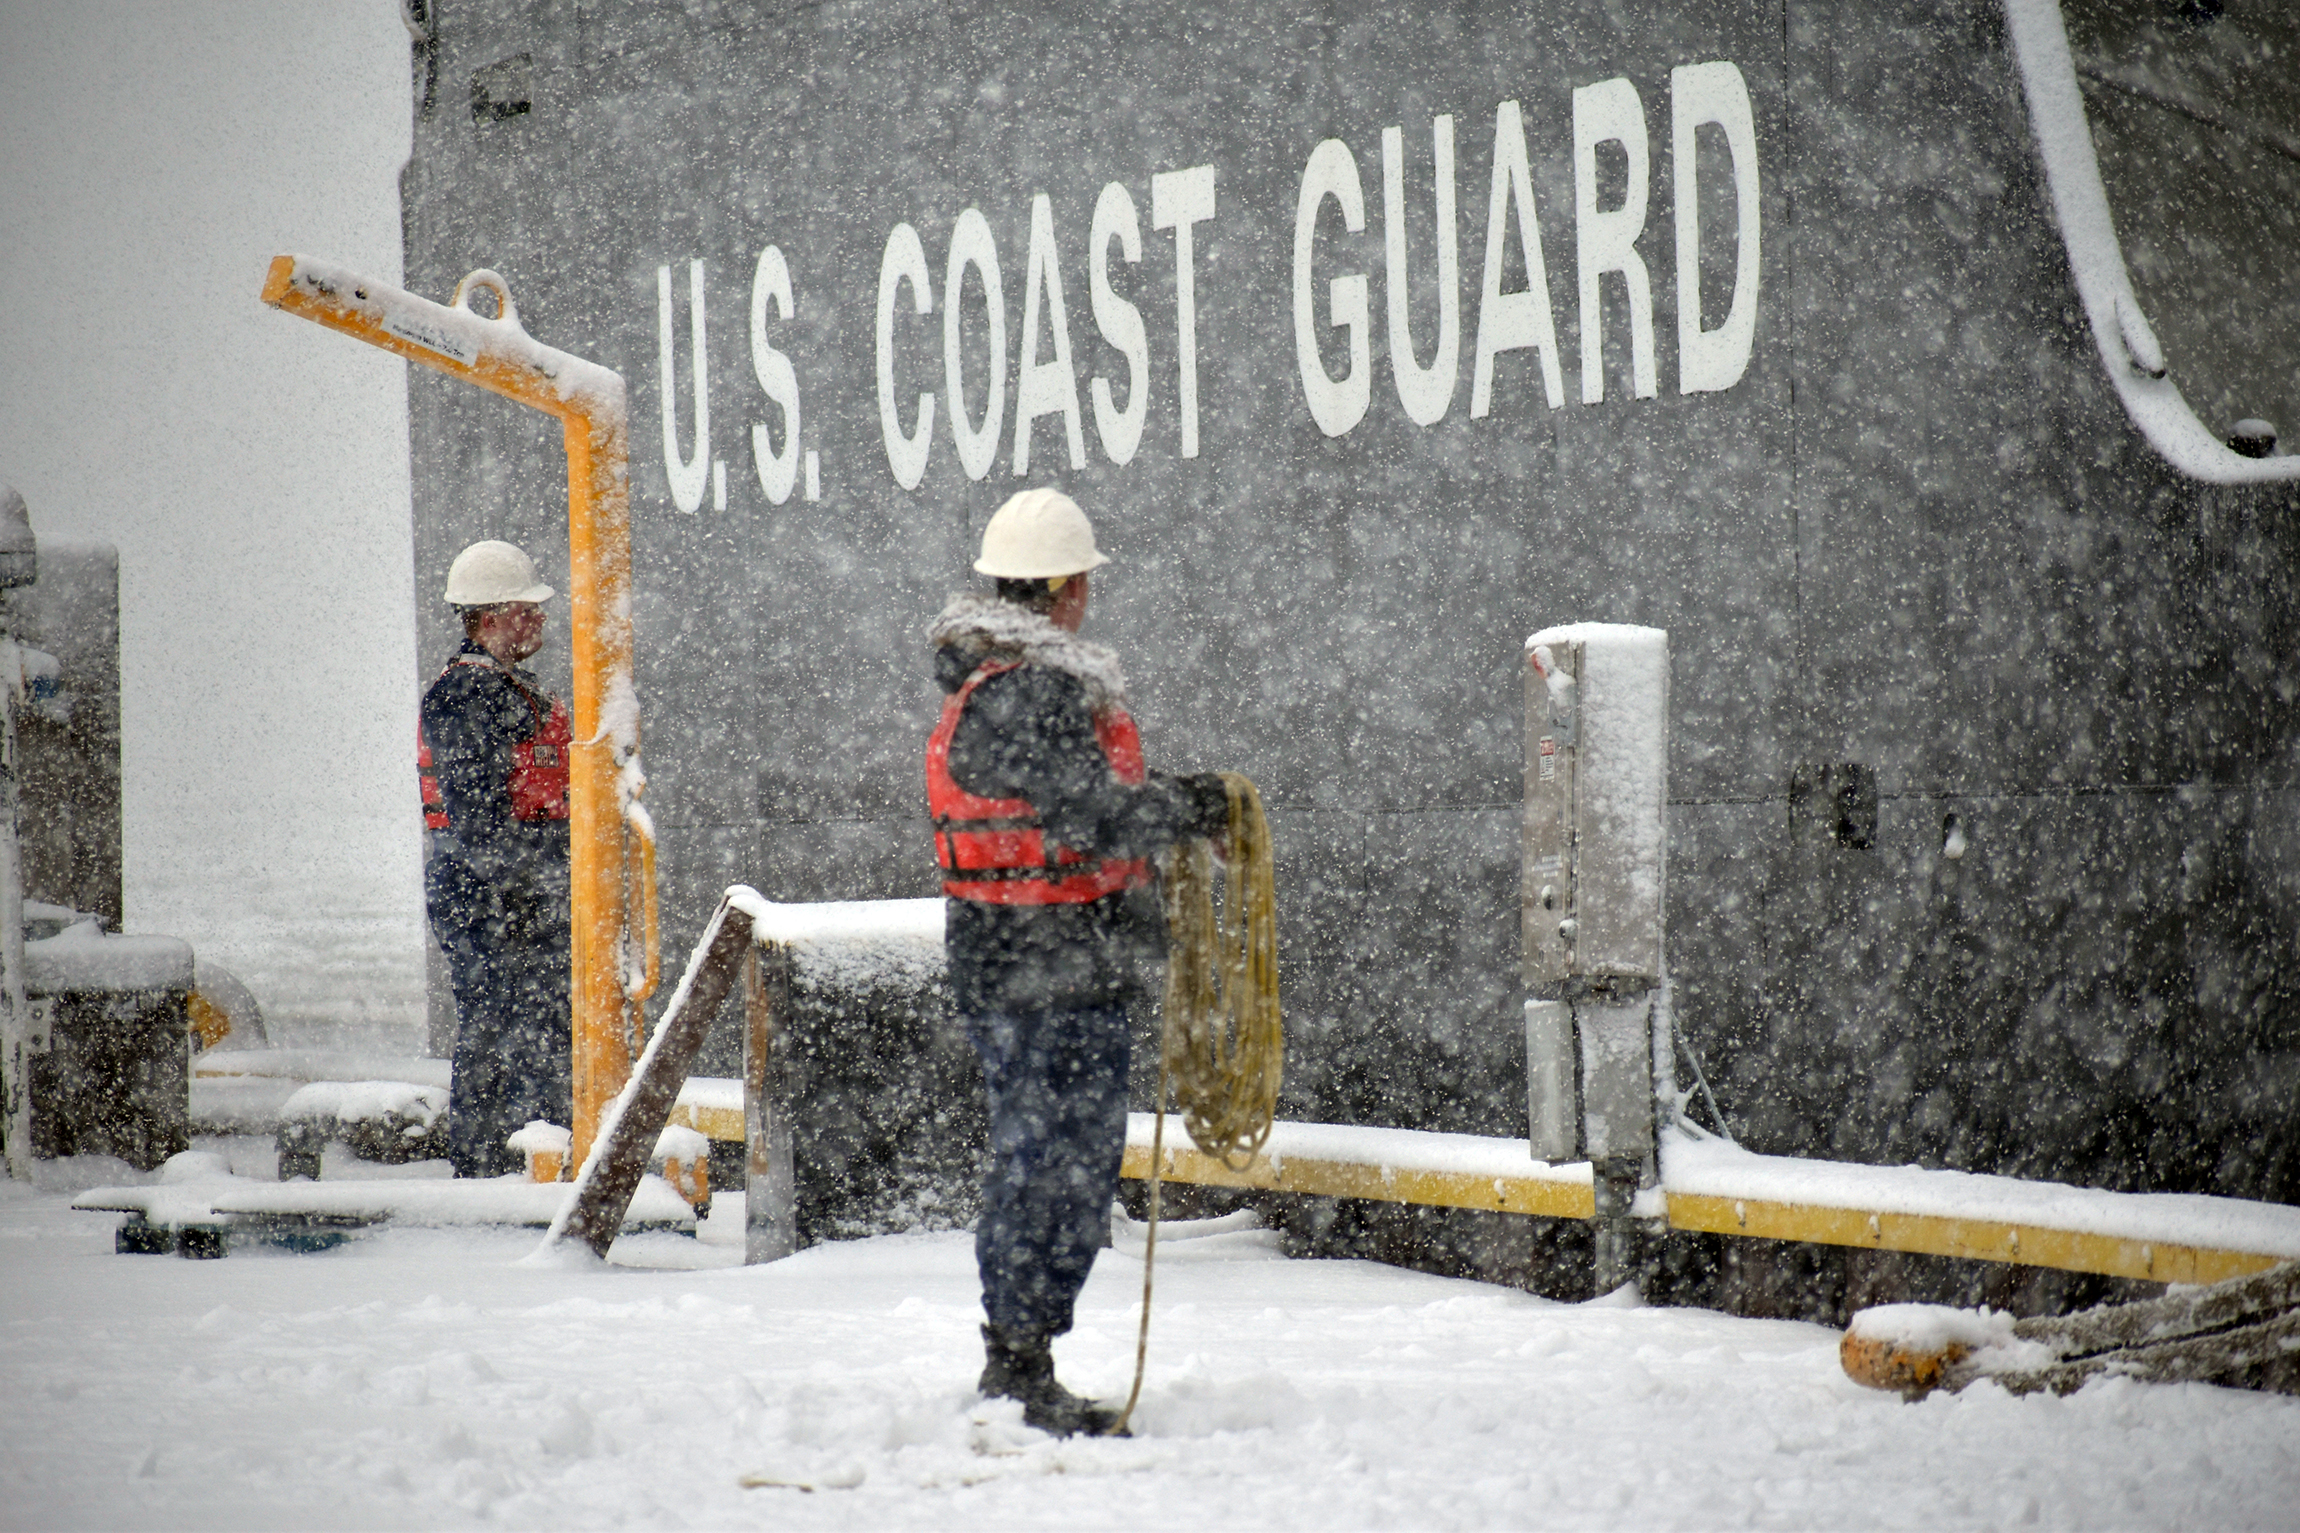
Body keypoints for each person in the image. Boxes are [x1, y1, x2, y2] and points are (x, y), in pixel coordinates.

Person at [926, 488, 1231, 1436]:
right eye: (1084, 579)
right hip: (1043, 971)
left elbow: (1075, 810)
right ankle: (1017, 1366)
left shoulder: (1000, 686)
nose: (1089, 596)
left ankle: (1022, 1357)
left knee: (1053, 1158)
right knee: (1053, 1164)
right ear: (1061, 590)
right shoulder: (1034, 692)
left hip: (1032, 961)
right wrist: (1196, 808)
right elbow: (1088, 813)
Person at [419, 539, 573, 1178]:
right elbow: (479, 824)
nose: (539, 620)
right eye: (525, 609)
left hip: (513, 892)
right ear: (490, 615)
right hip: (488, 897)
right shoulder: (466, 698)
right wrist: (545, 878)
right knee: (501, 1021)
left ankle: (534, 1152)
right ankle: (488, 1165)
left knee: (532, 1023)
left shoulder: (509, 690)